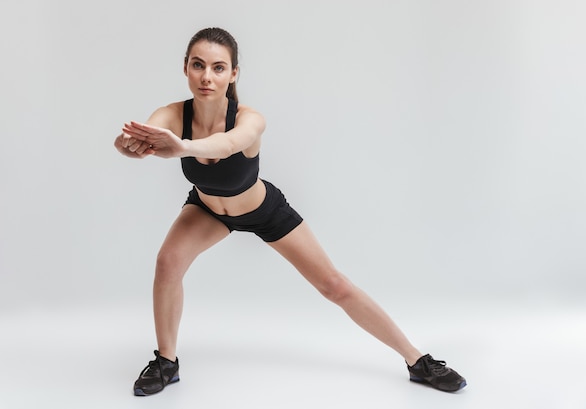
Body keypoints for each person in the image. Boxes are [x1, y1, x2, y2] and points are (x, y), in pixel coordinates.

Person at [115, 27, 467, 396]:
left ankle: (417, 360)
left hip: (262, 209)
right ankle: (166, 362)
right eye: (198, 65)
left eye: (219, 68)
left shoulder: (249, 119)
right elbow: (134, 139)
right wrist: (127, 145)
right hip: (207, 208)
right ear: (185, 67)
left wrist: (182, 147)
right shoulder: (172, 114)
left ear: (233, 73)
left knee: (334, 285)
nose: (206, 76)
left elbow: (229, 142)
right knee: (168, 263)